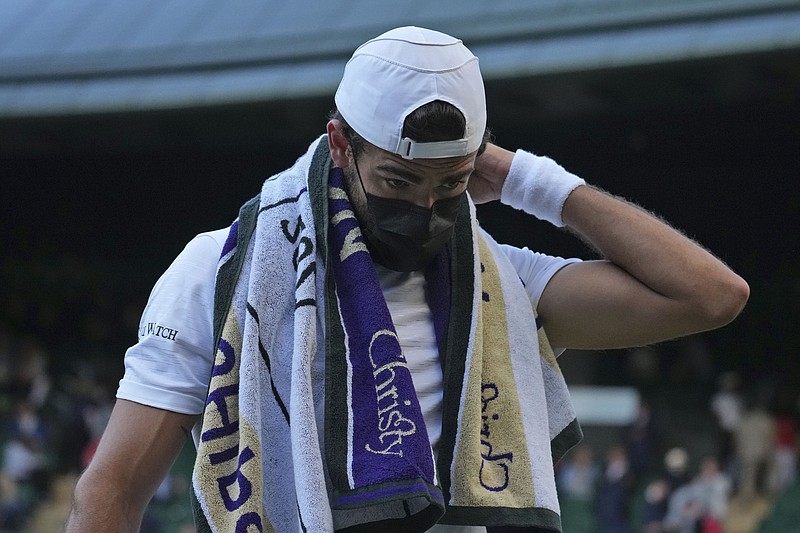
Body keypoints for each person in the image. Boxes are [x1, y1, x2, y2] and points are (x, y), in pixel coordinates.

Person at [65, 26, 749, 533]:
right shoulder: (219, 272)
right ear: (340, 144)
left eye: (450, 184)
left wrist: (523, 178)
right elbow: (112, 491)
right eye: (398, 180)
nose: (424, 207)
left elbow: (710, 295)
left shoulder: (500, 283)